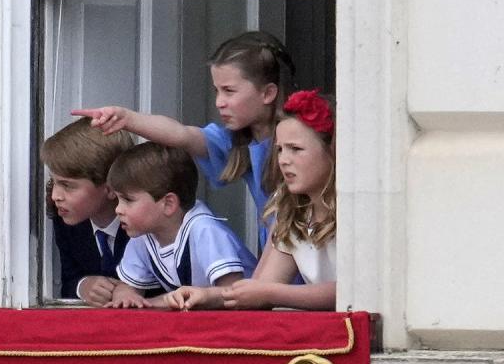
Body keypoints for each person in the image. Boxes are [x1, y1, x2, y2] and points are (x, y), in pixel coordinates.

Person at [73, 31, 297, 253]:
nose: (219, 102)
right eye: (216, 91)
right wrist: (127, 118)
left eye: (229, 91)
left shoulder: (301, 143)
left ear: (268, 93)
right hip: (279, 268)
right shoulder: (238, 140)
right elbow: (182, 135)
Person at [167, 90, 336, 311]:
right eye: (279, 149)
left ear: (332, 151)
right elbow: (262, 287)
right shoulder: (291, 209)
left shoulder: (357, 208)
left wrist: (270, 293)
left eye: (296, 149)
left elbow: (353, 290)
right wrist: (208, 295)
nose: (283, 160)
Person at [104, 142, 257, 308]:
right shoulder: (143, 236)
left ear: (169, 204)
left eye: (128, 200)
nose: (118, 209)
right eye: (118, 200)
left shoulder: (205, 231)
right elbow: (128, 287)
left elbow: (232, 291)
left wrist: (155, 303)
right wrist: (125, 296)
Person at [40, 117, 135, 303]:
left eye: (67, 185)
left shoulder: (144, 225)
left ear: (109, 188)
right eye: (54, 182)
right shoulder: (66, 218)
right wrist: (83, 285)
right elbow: (69, 278)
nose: (55, 196)